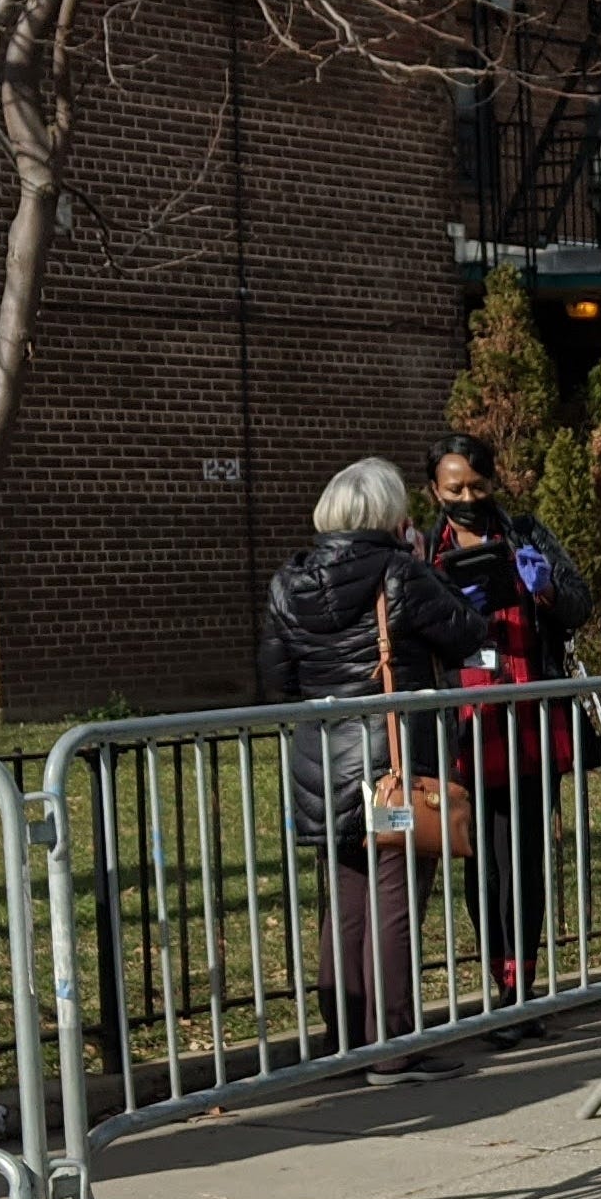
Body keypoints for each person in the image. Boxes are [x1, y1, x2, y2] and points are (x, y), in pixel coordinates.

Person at [262, 457, 497, 1088]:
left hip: (321, 759)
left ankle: (344, 1038)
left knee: (345, 901)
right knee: (394, 897)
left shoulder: (289, 581)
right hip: (392, 760)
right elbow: (467, 633)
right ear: (392, 517)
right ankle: (393, 1042)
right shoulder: (401, 572)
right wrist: (422, 565)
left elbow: (276, 678)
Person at [420, 436, 592, 1037]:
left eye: (477, 485)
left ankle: (525, 985)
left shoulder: (526, 533)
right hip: (467, 723)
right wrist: (448, 607)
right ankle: (499, 981)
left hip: (530, 719)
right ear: (434, 492)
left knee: (522, 857)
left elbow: (579, 604)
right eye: (454, 489)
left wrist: (543, 588)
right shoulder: (422, 549)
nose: (468, 498)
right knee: (482, 863)